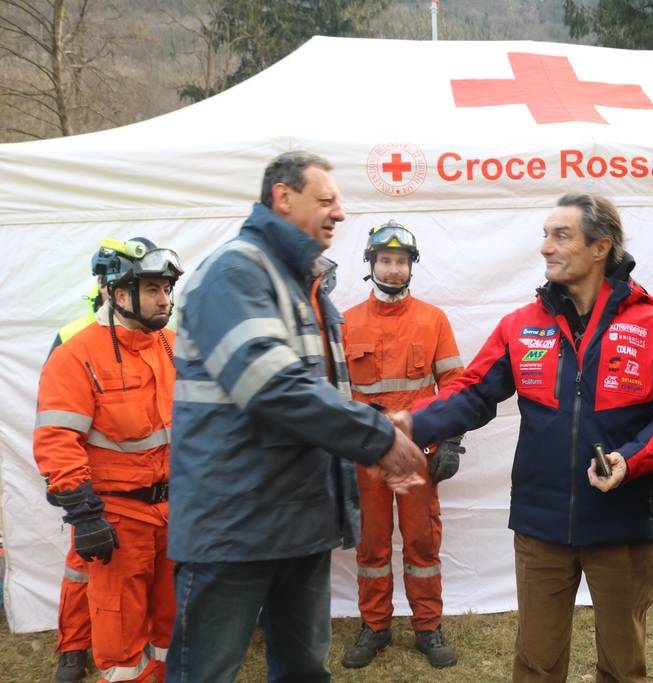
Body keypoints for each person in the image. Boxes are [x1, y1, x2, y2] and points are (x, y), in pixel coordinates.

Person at [394, 192, 653, 682]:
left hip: (622, 525)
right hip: (541, 526)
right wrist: (413, 423)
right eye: (545, 235)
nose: (545, 247)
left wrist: (630, 459)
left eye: (560, 235)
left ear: (600, 247)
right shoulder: (522, 325)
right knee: (536, 663)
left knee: (623, 665)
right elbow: (472, 392)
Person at [166, 150, 426, 683]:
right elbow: (273, 386)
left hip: (300, 523)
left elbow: (318, 395)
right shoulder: (233, 272)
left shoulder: (307, 288)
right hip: (234, 526)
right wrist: (377, 437)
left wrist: (373, 437)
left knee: (304, 670)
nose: (340, 213)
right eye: (327, 200)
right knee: (205, 673)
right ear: (283, 199)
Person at [35, 237, 184, 683]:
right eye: (154, 289)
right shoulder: (77, 355)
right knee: (122, 644)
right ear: (120, 294)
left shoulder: (172, 345)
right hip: (119, 519)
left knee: (169, 626)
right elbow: (57, 439)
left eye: (168, 289)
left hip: (175, 514)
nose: (166, 299)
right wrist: (85, 515)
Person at [340, 220, 465, 669]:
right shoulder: (346, 322)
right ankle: (375, 625)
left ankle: (428, 626)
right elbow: (334, 393)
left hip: (417, 454)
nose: (393, 270)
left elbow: (454, 384)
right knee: (371, 547)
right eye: (385, 261)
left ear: (412, 267)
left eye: (401, 262)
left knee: (421, 544)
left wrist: (450, 438)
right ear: (371, 264)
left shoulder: (433, 319)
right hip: (368, 456)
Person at [47, 276, 104, 683]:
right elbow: (53, 420)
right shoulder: (72, 336)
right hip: (92, 479)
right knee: (82, 566)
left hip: (154, 481)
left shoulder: (166, 332)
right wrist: (72, 488)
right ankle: (73, 648)